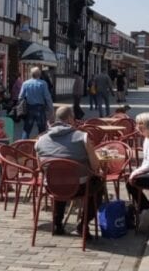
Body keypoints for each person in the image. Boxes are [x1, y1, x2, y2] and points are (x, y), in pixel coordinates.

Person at [36, 104, 104, 237]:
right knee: (98, 184)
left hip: (52, 186)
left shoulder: (40, 140)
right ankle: (83, 224)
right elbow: (95, 166)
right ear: (69, 119)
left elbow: (41, 168)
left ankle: (57, 223)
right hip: (79, 187)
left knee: (59, 180)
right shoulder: (82, 137)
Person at [20, 66, 54, 138]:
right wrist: (51, 109)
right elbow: (47, 97)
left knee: (27, 129)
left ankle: (23, 144)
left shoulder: (25, 83)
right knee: (42, 130)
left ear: (31, 74)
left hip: (29, 108)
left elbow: (20, 97)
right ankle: (41, 145)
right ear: (39, 74)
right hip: (40, 108)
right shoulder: (43, 84)